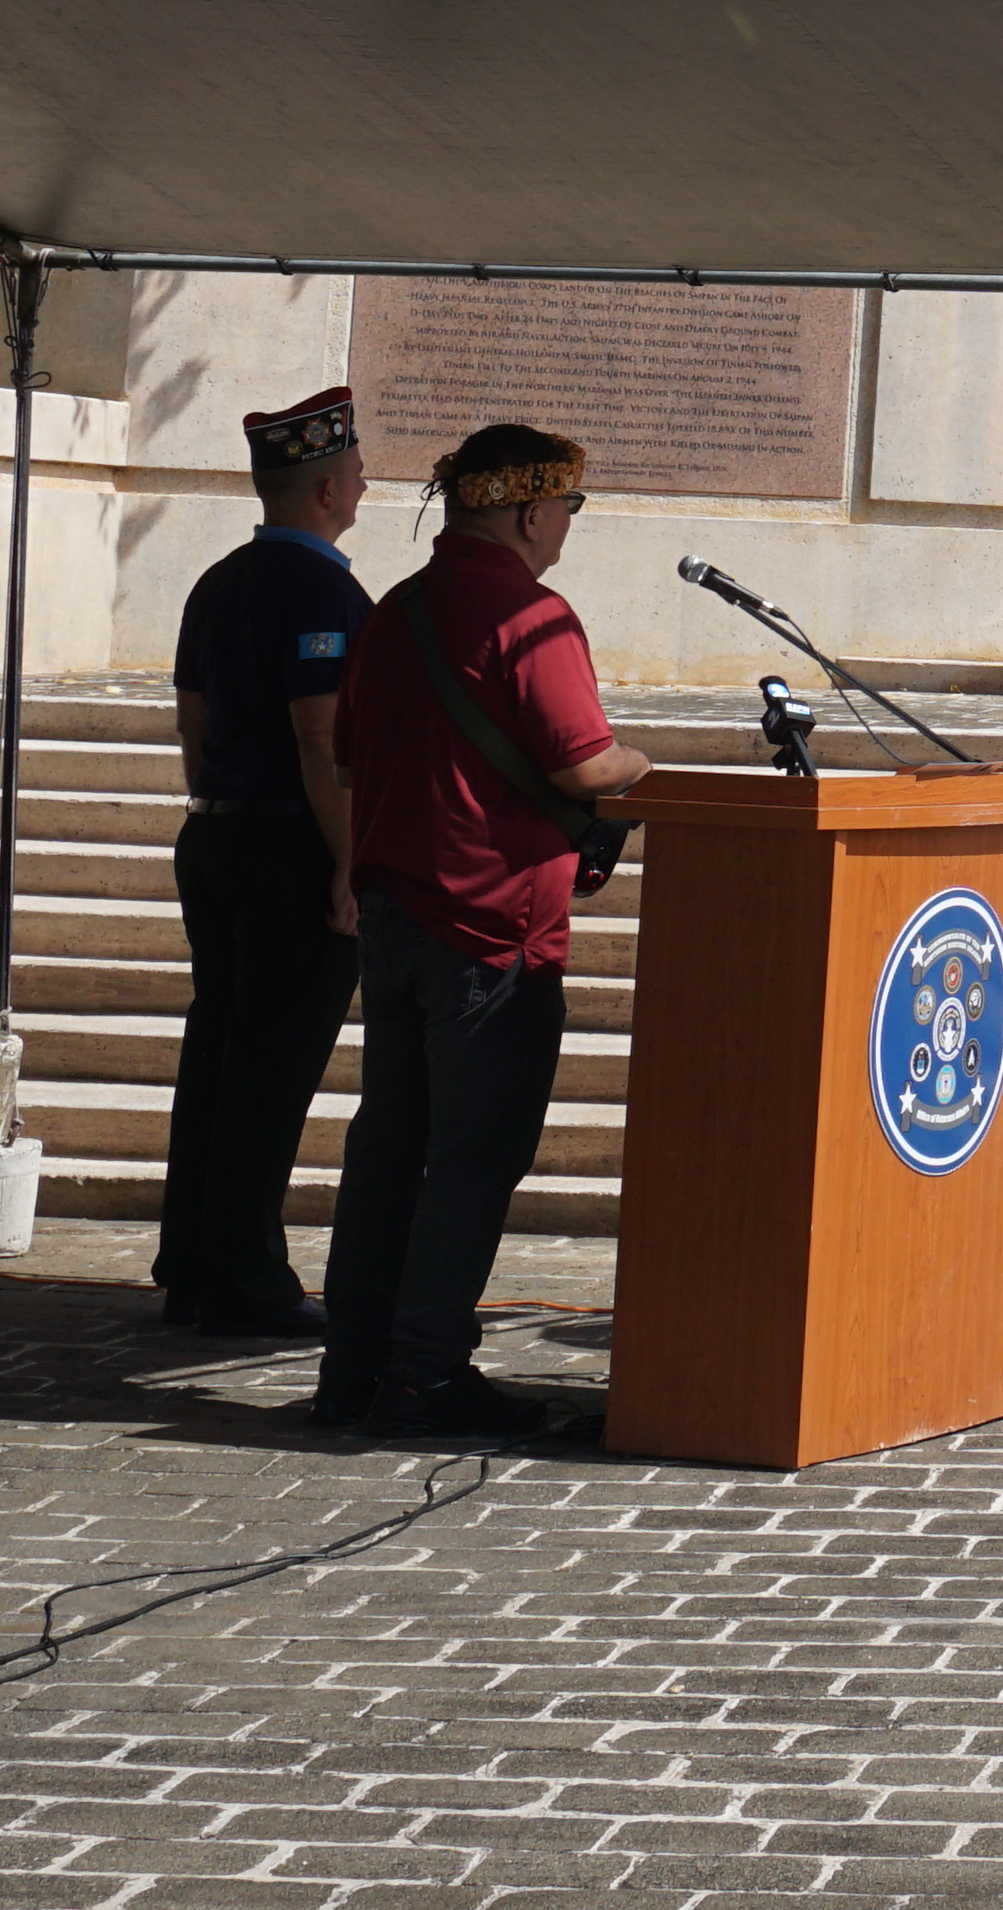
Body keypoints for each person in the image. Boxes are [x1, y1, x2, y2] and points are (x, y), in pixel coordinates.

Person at [314, 424, 646, 1441]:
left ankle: (353, 1367)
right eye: (566, 515)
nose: (565, 536)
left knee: (387, 1147)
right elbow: (585, 767)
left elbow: (347, 752)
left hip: (395, 916)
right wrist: (645, 765)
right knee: (470, 1155)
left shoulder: (394, 611)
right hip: (491, 924)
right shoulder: (530, 614)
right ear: (530, 511)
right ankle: (425, 1374)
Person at [158, 385, 374, 1337]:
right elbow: (321, 736)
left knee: (216, 1051)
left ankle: (192, 1259)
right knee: (272, 1066)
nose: (366, 482)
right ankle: (244, 1272)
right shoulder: (324, 588)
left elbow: (194, 721)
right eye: (356, 471)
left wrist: (217, 807)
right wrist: (348, 861)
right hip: (290, 842)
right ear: (326, 489)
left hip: (216, 832)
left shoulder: (219, 580)